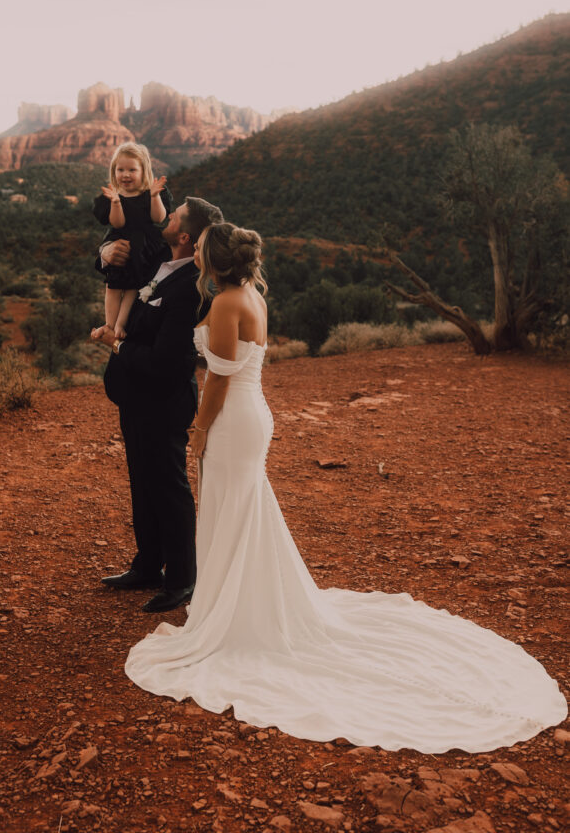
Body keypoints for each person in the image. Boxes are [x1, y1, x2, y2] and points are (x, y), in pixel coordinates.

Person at [124, 222, 567, 750]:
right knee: (242, 508)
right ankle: (240, 600)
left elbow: (218, 378)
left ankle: (235, 615)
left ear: (215, 260)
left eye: (198, 249)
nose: (191, 252)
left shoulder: (224, 304)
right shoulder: (249, 296)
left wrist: (199, 431)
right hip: (251, 413)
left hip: (231, 418)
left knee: (233, 507)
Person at [90, 196, 223, 614]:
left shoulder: (190, 290)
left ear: (185, 236)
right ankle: (148, 565)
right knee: (142, 483)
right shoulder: (158, 263)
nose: (165, 217)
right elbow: (115, 266)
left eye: (175, 215)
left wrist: (118, 345)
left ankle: (183, 578)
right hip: (134, 395)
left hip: (163, 401)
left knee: (169, 488)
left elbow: (169, 363)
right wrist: (103, 252)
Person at [92, 141, 172, 341]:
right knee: (113, 286)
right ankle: (110, 324)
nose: (125, 174)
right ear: (113, 170)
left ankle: (121, 323)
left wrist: (154, 196)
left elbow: (158, 218)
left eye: (132, 170)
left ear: (143, 171)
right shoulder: (113, 196)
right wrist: (116, 202)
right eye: (120, 169)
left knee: (133, 287)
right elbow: (117, 223)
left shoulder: (149, 194)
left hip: (143, 245)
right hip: (121, 242)